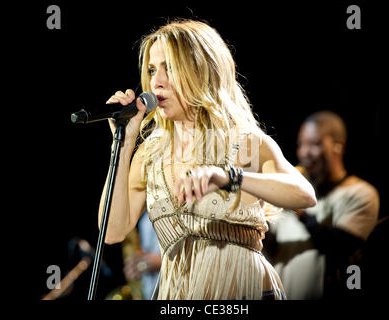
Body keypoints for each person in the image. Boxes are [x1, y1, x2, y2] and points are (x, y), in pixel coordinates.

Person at [98, 19, 316, 300]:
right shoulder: (149, 154)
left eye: (171, 68)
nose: (156, 81)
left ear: (201, 71)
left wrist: (229, 176)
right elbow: (112, 231)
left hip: (243, 292)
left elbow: (304, 195)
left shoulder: (243, 141)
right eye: (152, 70)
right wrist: (124, 144)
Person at [263, 111, 380, 299]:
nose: (304, 153)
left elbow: (341, 246)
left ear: (338, 146)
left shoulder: (360, 194)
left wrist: (298, 207)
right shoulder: (291, 191)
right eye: (301, 144)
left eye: (314, 144)